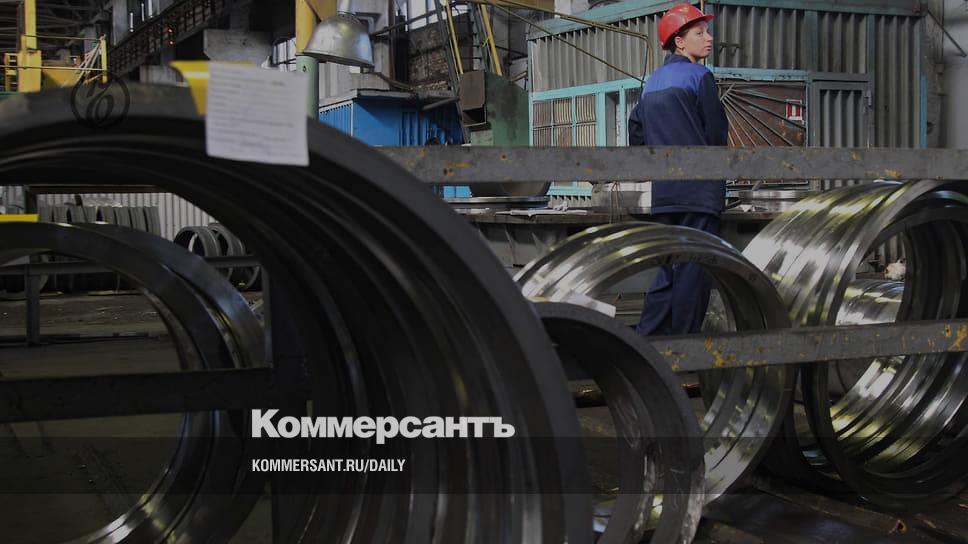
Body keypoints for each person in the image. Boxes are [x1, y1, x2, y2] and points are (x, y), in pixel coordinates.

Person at [627, 3, 729, 337]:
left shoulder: (652, 82)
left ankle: (647, 343)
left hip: (665, 194)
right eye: (700, 33)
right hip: (699, 194)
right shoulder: (700, 77)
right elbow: (716, 135)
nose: (708, 38)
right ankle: (686, 351)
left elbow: (636, 132)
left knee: (667, 270)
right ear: (680, 42)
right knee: (693, 272)